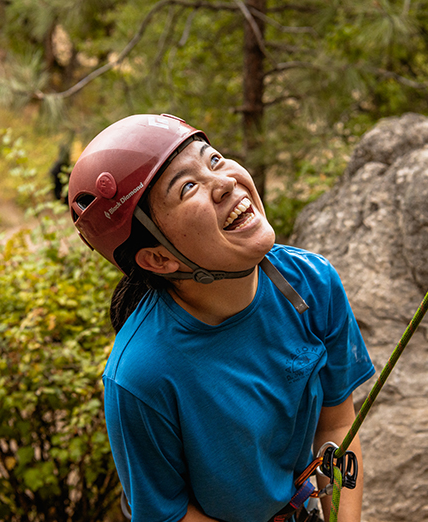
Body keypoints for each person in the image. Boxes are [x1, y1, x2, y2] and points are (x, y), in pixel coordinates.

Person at [68, 114, 375, 522]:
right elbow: (169, 513)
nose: (226, 181)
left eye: (213, 160)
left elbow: (335, 428)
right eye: (188, 187)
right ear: (159, 258)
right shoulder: (140, 375)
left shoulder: (311, 285)